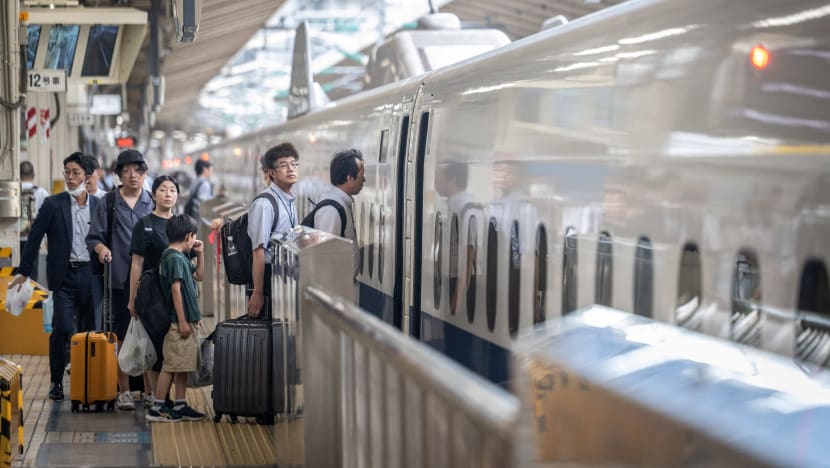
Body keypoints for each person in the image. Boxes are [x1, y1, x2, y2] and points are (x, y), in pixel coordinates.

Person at [11, 153, 99, 400]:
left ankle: (88, 380)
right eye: (67, 172)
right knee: (62, 327)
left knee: (90, 330)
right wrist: (24, 271)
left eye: (76, 173)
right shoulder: (52, 204)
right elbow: (35, 237)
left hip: (90, 275)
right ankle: (56, 381)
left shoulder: (98, 206)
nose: (70, 178)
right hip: (63, 277)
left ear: (87, 176)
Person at [86, 148, 154, 410]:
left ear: (145, 174)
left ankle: (149, 391)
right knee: (120, 335)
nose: (132, 176)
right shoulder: (110, 202)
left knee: (149, 334)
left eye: (137, 171)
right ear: (119, 176)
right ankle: (124, 390)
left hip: (149, 281)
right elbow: (93, 237)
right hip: (117, 280)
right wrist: (102, 250)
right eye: (126, 171)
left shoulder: (152, 202)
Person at [145, 214, 205, 423]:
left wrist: (200, 254)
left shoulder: (179, 257)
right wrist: (181, 320)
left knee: (182, 365)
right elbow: (176, 290)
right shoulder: (172, 258)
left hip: (188, 320)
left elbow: (199, 276)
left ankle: (180, 404)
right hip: (178, 322)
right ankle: (158, 407)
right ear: (189, 236)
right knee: (171, 365)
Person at [127, 175, 179, 407]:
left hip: (176, 293)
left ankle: (161, 397)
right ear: (154, 194)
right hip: (152, 294)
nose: (168, 194)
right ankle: (157, 399)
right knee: (156, 345)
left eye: (172, 190)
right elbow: (136, 263)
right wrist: (132, 299)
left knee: (173, 345)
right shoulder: (145, 224)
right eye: (163, 190)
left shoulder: (180, 224)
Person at [247, 143, 300, 318]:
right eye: (284, 165)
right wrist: (258, 292)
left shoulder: (289, 200)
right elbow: (258, 251)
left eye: (294, 164)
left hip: (284, 276)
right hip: (269, 278)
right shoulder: (265, 205)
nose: (291, 169)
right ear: (271, 172)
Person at [312, 149, 365, 275]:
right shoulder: (332, 210)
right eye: (361, 175)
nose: (364, 180)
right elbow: (325, 257)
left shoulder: (340, 204)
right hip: (336, 289)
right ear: (349, 178)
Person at [19, 161, 50, 283]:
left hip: (14, 241)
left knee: (15, 273)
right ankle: (31, 297)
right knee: (31, 274)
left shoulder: (12, 192)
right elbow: (48, 219)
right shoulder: (42, 193)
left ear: (19, 175)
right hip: (33, 239)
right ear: (33, 175)